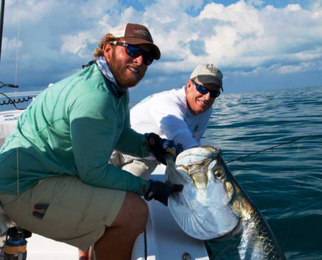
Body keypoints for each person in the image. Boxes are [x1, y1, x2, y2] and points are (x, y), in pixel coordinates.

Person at [0, 23, 182, 260]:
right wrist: (149, 188)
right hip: (24, 187)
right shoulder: (95, 97)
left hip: (51, 174)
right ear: (108, 49)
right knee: (134, 212)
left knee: (118, 199)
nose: (140, 61)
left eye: (147, 57)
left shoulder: (115, 88)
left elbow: (121, 135)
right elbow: (93, 173)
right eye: (133, 51)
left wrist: (149, 145)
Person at [110, 63, 224, 179]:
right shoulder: (167, 102)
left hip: (146, 159)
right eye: (202, 89)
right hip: (116, 147)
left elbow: (193, 142)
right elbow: (181, 136)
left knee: (128, 191)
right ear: (189, 85)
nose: (207, 97)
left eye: (214, 93)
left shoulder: (206, 110)